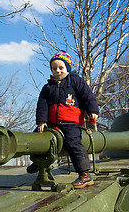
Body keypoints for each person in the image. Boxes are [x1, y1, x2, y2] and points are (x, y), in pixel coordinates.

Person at [28, 50, 99, 189]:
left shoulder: (75, 81)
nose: (58, 71)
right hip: (51, 122)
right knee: (35, 137)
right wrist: (42, 121)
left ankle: (85, 174)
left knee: (74, 144)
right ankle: (38, 162)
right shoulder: (48, 87)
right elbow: (42, 104)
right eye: (54, 68)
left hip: (70, 122)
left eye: (61, 67)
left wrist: (93, 111)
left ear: (68, 67)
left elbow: (87, 96)